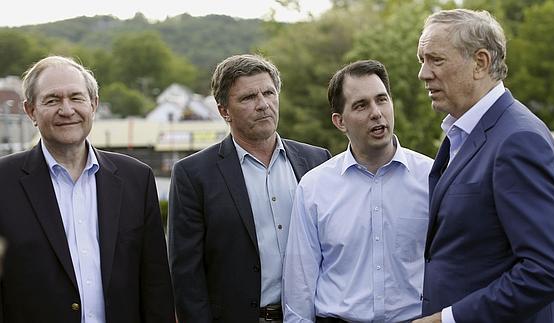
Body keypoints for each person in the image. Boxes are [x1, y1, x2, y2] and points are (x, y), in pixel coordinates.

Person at [414, 8, 554, 323]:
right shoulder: (462, 135)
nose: (424, 73)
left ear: (480, 62)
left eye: (436, 60)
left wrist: (448, 318)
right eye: (422, 61)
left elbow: (548, 271)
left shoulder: (518, 139)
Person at [0, 55, 175, 323]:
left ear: (93, 105)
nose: (67, 109)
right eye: (52, 100)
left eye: (76, 97)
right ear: (31, 111)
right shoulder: (4, 181)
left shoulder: (136, 179)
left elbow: (155, 283)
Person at [168, 53, 331, 323]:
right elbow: (186, 274)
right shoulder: (193, 174)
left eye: (269, 93)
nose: (263, 104)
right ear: (224, 110)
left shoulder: (316, 161)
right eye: (248, 97)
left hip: (312, 317)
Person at [282, 60, 433, 323]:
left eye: (382, 100)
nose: (376, 113)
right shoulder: (314, 187)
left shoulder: (431, 178)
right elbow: (300, 284)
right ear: (340, 121)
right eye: (361, 105)